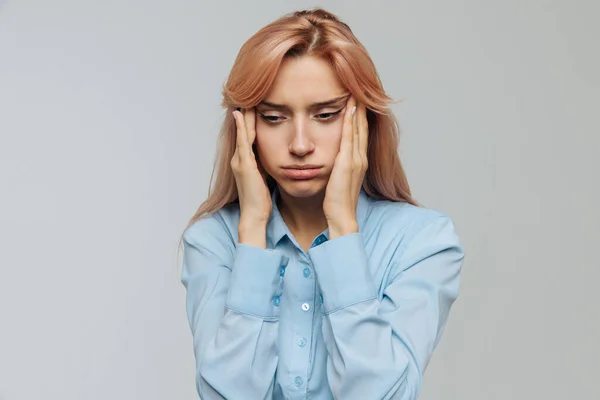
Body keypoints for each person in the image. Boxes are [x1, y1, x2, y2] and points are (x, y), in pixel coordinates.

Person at [180, 8, 464, 400]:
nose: (300, 145)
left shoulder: (423, 241)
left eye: (326, 115)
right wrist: (252, 233)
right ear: (246, 127)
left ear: (364, 120)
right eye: (274, 117)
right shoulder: (212, 241)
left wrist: (344, 232)